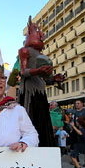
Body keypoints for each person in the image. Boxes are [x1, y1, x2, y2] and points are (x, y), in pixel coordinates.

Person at [18, 16, 64, 147]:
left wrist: (54, 79)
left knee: (42, 121)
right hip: (28, 92)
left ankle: (42, 147)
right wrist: (38, 71)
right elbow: (23, 72)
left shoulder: (43, 56)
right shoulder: (24, 51)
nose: (40, 34)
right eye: (36, 31)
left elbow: (46, 79)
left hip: (40, 92)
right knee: (30, 118)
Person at [73, 100, 85, 167]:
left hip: (82, 131)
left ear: (82, 104)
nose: (77, 104)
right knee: (75, 145)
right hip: (76, 130)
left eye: (78, 103)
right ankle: (76, 160)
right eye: (76, 103)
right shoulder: (75, 112)